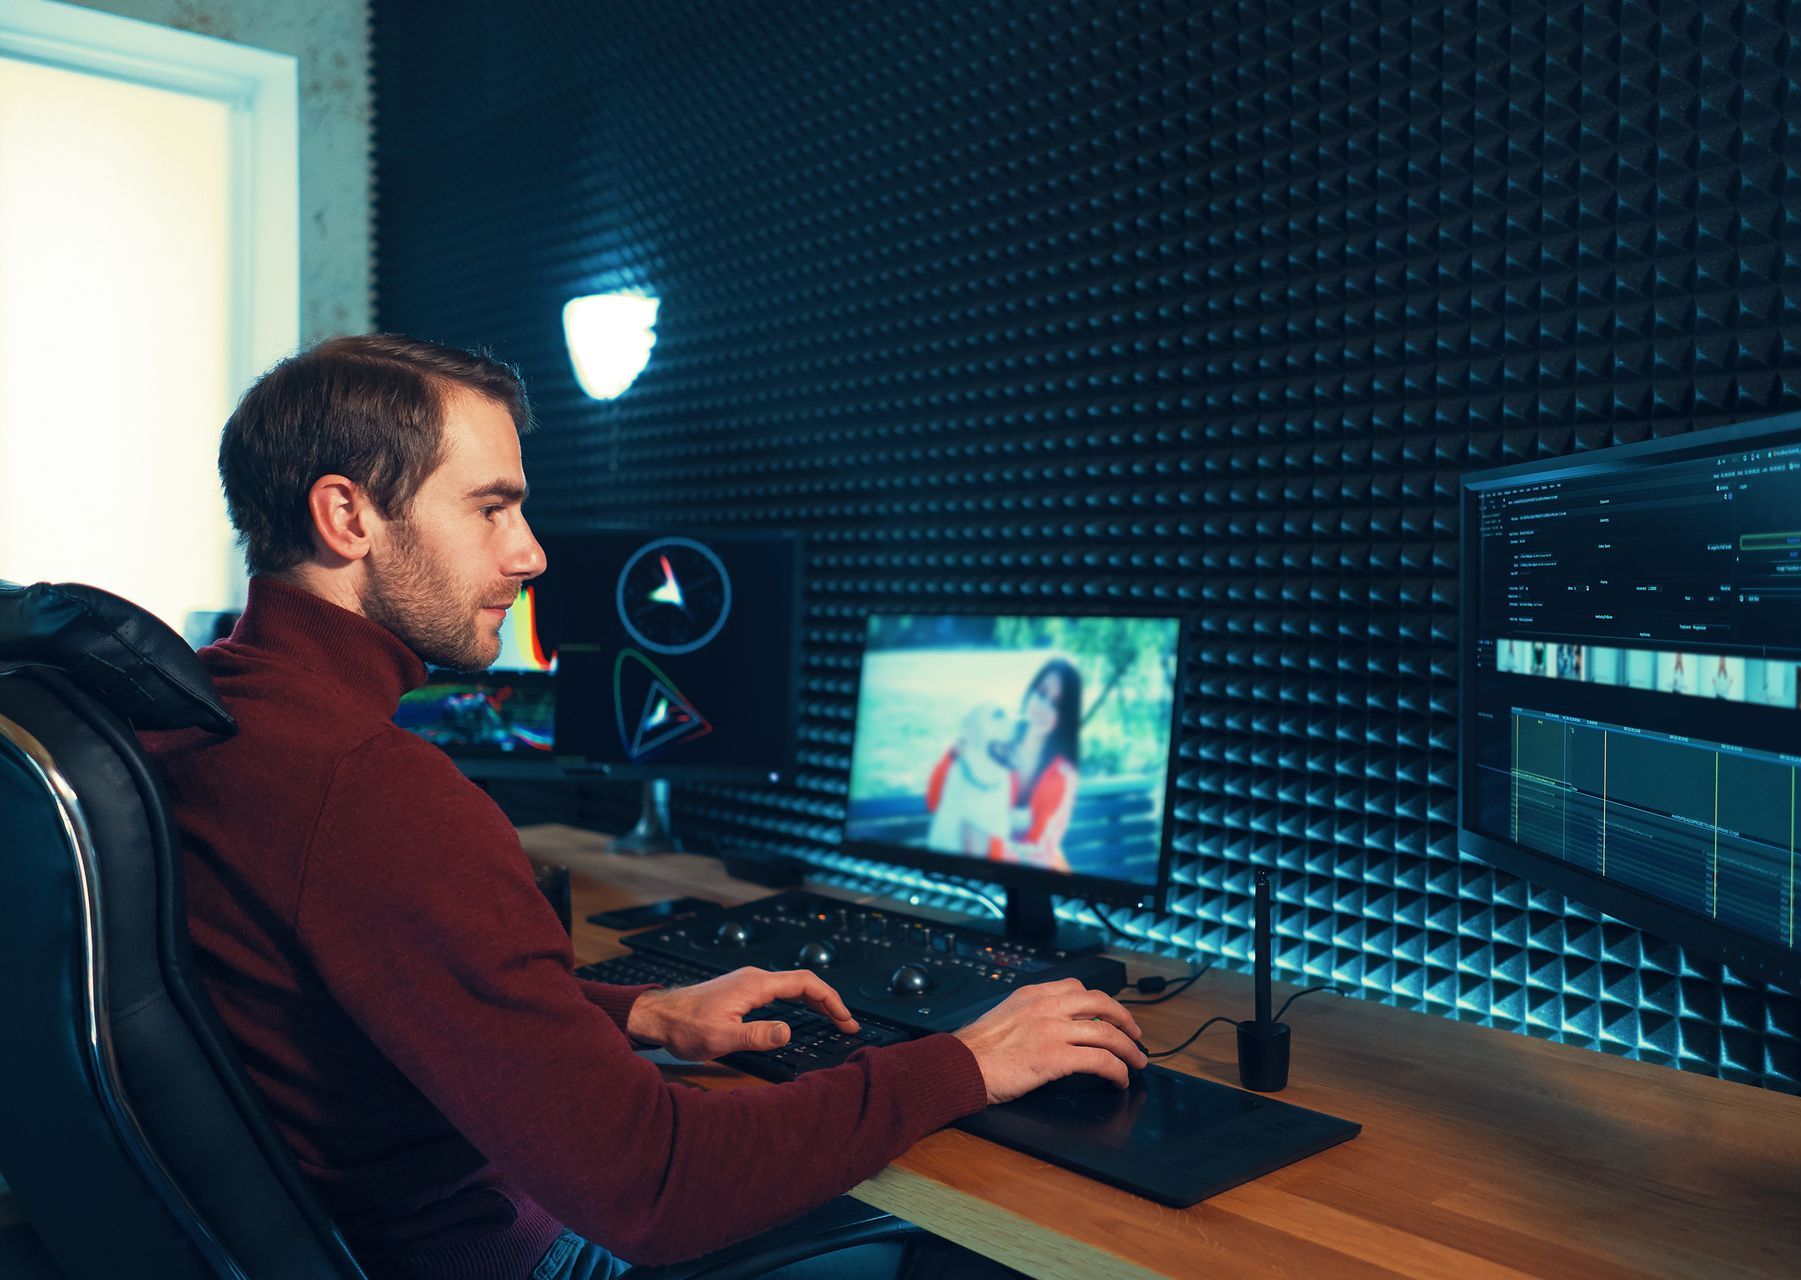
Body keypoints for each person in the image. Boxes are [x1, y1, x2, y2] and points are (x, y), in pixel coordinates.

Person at [139, 335, 1146, 1280]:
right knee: (975, 1249)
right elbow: (654, 1182)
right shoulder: (379, 796)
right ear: (347, 515)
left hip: (365, 1229)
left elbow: (376, 995)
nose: (530, 553)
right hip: (510, 1249)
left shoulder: (196, 713)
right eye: (491, 507)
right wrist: (967, 1060)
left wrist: (637, 1011)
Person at [927, 658, 1082, 872]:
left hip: (1037, 883)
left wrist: (990, 847)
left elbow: (1042, 855)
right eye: (1041, 693)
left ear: (1064, 718)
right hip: (980, 871)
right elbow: (936, 802)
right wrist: (954, 753)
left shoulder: (1062, 777)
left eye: (1056, 704)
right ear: (1031, 693)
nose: (1043, 707)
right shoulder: (996, 747)